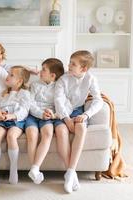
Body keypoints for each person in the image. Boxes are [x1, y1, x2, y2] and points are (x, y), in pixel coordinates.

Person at [54, 50, 103, 193]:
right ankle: (72, 174)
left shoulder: (90, 79)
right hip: (63, 111)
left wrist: (86, 115)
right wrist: (66, 119)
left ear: (84, 68)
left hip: (78, 111)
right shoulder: (63, 79)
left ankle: (69, 172)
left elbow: (98, 100)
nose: (69, 65)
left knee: (81, 128)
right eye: (70, 62)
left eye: (73, 64)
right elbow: (58, 101)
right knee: (61, 131)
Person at [0, 66, 31, 188]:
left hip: (16, 120)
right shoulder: (3, 93)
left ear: (19, 81)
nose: (7, 76)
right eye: (9, 73)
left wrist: (12, 116)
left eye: (11, 75)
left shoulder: (25, 93)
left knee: (11, 136)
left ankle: (13, 169)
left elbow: (25, 110)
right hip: (2, 120)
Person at [25, 58, 64, 184]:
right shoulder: (35, 85)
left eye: (43, 70)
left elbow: (60, 105)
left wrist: (52, 114)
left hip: (48, 116)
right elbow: (29, 103)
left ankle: (35, 168)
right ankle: (34, 169)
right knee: (32, 135)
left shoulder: (59, 87)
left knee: (47, 133)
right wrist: (40, 113)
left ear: (52, 75)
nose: (40, 72)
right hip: (33, 115)